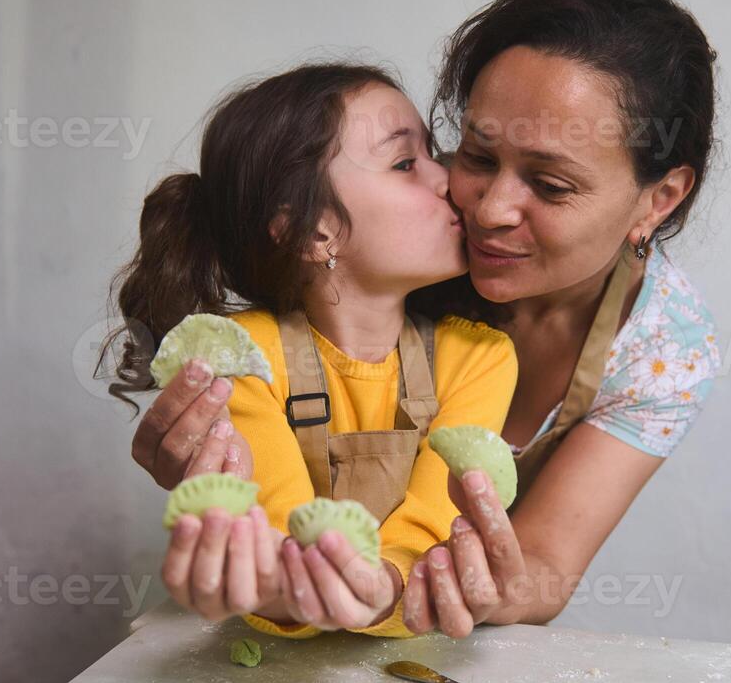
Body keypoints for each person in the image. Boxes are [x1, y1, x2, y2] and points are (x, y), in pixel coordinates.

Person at [130, 0, 722, 638]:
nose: (486, 210)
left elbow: (547, 559)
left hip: (433, 638)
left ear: (659, 198)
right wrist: (217, 479)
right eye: (475, 152)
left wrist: (411, 588)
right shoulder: (405, 245)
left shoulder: (663, 349)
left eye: (551, 185)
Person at [103, 63, 517, 638]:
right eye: (405, 164)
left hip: (421, 647)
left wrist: (382, 590)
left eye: (433, 151)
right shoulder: (243, 359)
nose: (449, 179)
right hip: (271, 664)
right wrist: (273, 580)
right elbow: (276, 540)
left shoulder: (481, 357)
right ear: (312, 230)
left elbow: (432, 531)